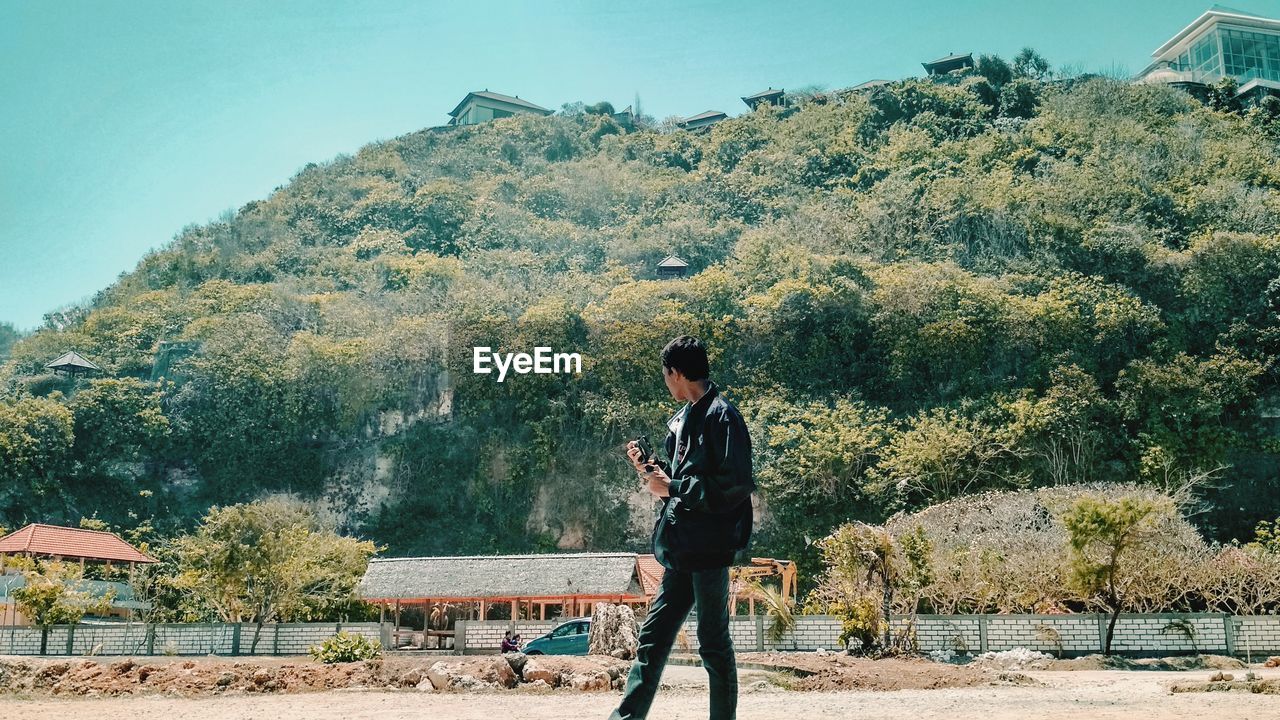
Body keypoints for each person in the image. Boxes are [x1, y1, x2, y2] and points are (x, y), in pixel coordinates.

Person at [609, 335, 754, 720]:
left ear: (676, 372)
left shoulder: (724, 417)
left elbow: (733, 488)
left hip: (709, 550)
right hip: (680, 548)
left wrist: (672, 485)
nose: (666, 384)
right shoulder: (681, 420)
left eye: (666, 376)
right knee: (653, 640)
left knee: (712, 645)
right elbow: (677, 489)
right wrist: (652, 471)